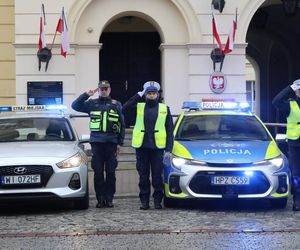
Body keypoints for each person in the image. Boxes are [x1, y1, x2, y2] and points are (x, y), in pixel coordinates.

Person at [72, 80, 125, 208]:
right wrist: (86, 94)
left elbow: (122, 125)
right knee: (98, 172)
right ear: (99, 90)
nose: (104, 91)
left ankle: (109, 198)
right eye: (102, 89)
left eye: (106, 88)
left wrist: (120, 143)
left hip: (111, 143)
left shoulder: (116, 104)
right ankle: (100, 199)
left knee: (111, 172)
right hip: (97, 143)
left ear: (110, 89)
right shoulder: (92, 103)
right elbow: (75, 105)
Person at [122, 81, 174, 210]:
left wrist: (168, 150)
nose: (151, 96)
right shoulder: (139, 106)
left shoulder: (164, 108)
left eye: (153, 93)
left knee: (157, 177)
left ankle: (157, 201)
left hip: (157, 149)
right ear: (145, 94)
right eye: (149, 93)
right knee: (143, 177)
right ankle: (144, 201)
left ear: (157, 94)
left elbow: (169, 131)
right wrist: (138, 95)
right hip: (142, 147)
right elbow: (125, 108)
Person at [272, 79, 300, 211]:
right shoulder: (290, 105)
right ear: (297, 92)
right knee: (296, 174)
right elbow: (276, 101)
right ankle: (297, 200)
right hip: (295, 144)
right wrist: (290, 87)